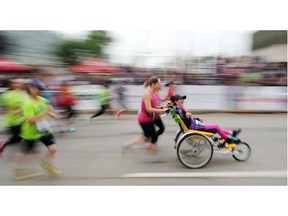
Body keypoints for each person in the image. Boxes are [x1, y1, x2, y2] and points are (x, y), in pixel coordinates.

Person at [13, 79, 61, 180]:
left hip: (44, 129)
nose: (41, 90)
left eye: (41, 89)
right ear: (30, 88)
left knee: (53, 148)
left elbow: (47, 108)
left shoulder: (42, 99)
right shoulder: (28, 103)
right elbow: (30, 120)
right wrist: (45, 112)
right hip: (31, 132)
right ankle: (17, 171)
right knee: (24, 153)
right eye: (38, 88)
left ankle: (47, 164)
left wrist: (51, 113)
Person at [170, 94, 241, 149]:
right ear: (176, 101)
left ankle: (231, 133)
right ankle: (228, 140)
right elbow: (185, 119)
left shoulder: (180, 108)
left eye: (182, 99)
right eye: (180, 99)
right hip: (195, 128)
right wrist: (187, 115)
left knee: (215, 128)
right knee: (216, 127)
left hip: (196, 125)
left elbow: (188, 119)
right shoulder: (179, 110)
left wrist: (197, 118)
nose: (182, 100)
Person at [122, 76, 167, 158]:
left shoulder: (156, 93)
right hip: (145, 119)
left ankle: (130, 144)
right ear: (153, 84)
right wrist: (162, 110)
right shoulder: (147, 94)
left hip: (151, 118)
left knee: (149, 135)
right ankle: (152, 154)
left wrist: (165, 107)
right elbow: (149, 109)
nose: (161, 86)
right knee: (152, 137)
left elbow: (157, 106)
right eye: (159, 84)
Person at [0, 78, 27, 155]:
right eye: (14, 83)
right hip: (13, 120)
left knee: (27, 134)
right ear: (10, 85)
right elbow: (4, 109)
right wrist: (16, 111)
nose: (17, 85)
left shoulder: (22, 93)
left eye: (18, 83)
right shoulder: (6, 95)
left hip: (23, 119)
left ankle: (27, 151)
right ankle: (3, 144)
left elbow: (25, 104)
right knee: (17, 138)